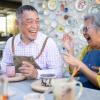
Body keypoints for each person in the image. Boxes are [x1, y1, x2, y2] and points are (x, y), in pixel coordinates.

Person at [1, 5, 63, 79]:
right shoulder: (11, 42)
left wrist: (36, 73)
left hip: (41, 89)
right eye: (30, 21)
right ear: (17, 23)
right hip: (15, 88)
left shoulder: (48, 43)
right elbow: (4, 67)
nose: (35, 26)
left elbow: (58, 72)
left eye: (37, 21)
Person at [62, 12, 100, 89]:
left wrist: (81, 65)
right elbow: (75, 72)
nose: (84, 33)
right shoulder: (87, 49)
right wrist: (70, 49)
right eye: (83, 29)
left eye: (86, 29)